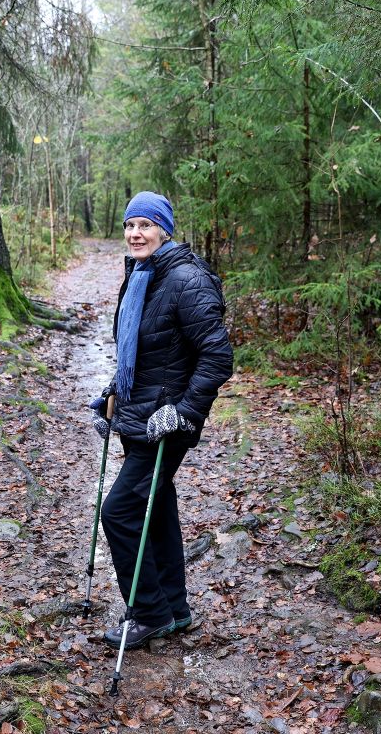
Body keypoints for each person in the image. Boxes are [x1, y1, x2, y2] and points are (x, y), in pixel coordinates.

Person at [88, 191, 234, 648]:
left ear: (165, 229)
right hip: (139, 417)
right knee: (158, 509)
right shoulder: (141, 275)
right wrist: (113, 395)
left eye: (146, 225)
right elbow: (145, 354)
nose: (135, 234)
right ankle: (174, 609)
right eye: (130, 225)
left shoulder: (186, 280)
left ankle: (148, 612)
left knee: (120, 512)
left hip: (166, 424)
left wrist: (184, 412)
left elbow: (217, 356)